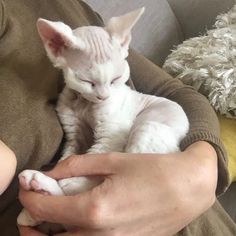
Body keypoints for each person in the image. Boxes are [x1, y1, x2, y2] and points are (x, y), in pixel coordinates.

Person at [0, 0, 235, 235]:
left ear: (124, 41)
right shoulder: (69, 62)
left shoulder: (70, 10)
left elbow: (176, 92)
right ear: (55, 47)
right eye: (88, 82)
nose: (104, 95)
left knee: (138, 141)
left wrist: (203, 166)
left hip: (207, 222)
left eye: (115, 79)